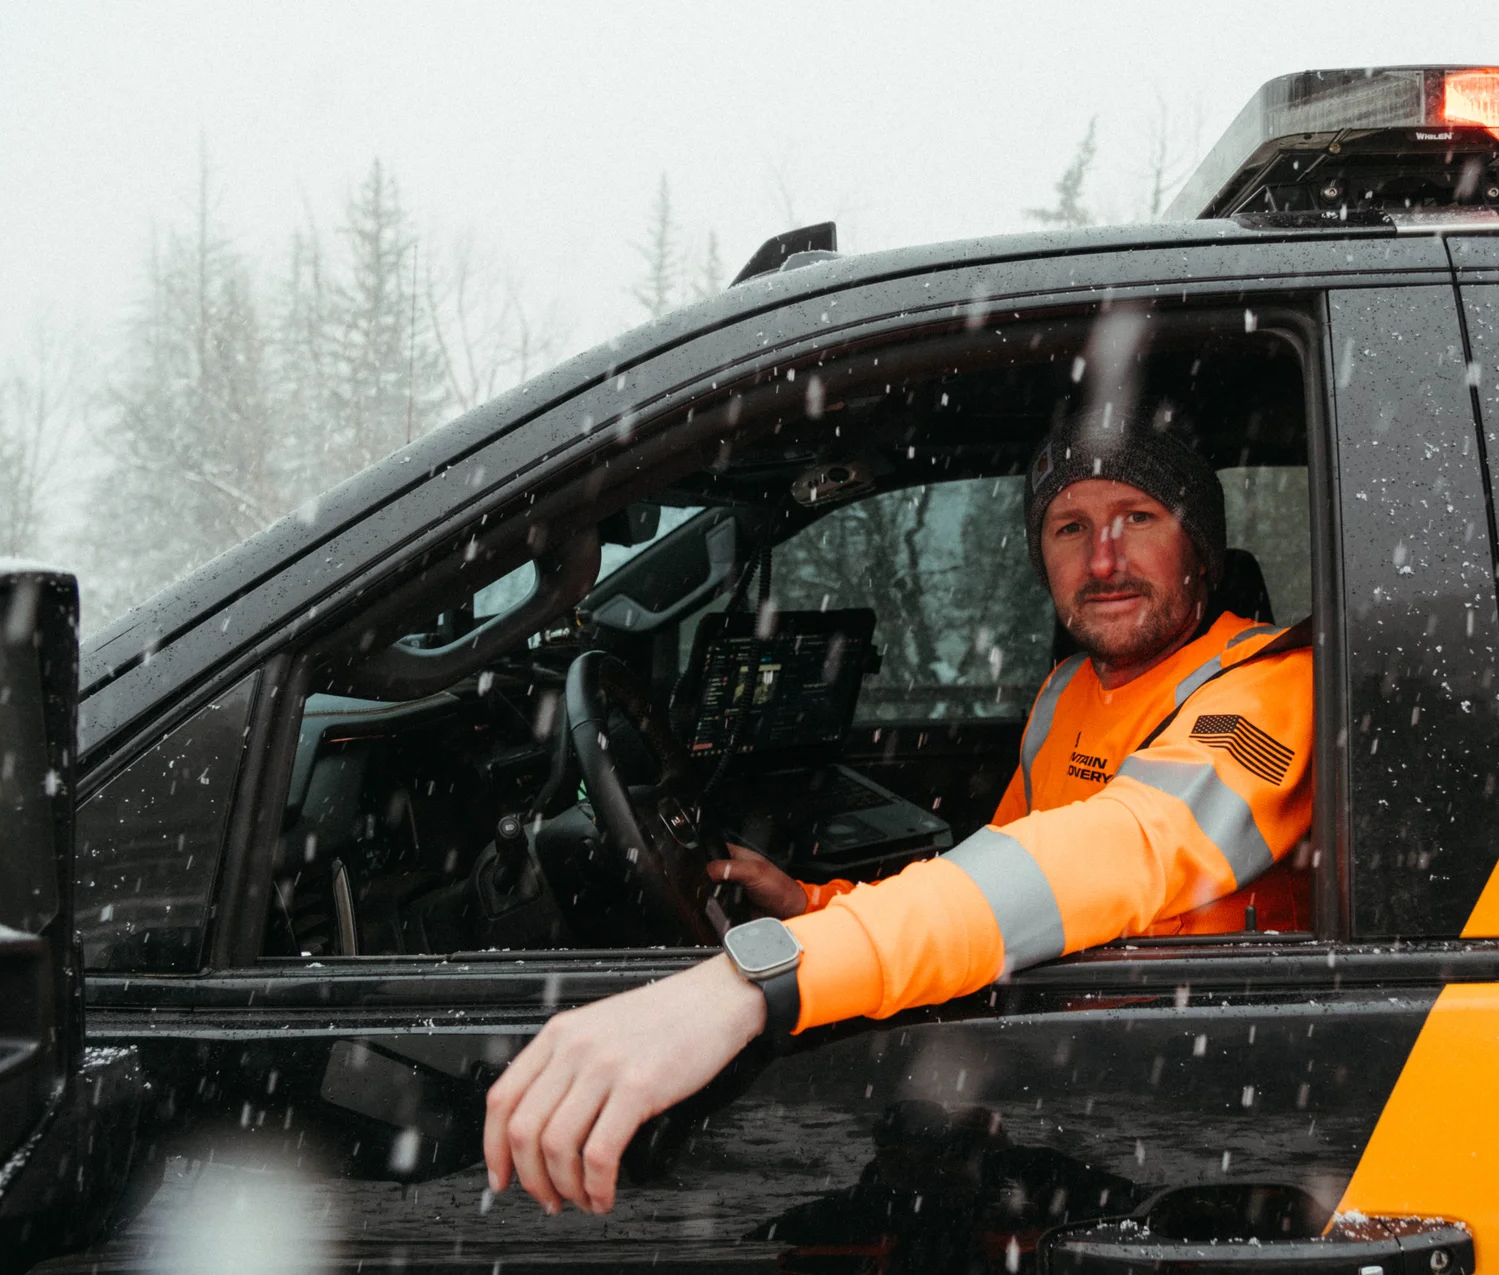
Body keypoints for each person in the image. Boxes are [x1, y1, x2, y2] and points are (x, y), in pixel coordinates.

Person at [481, 411, 1314, 1215]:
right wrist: (810, 905)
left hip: (1193, 1107)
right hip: (1063, 1063)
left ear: (1197, 546)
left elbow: (1117, 848)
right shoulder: (1068, 692)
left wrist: (754, 978)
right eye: (1069, 527)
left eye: (1138, 517)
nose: (1103, 560)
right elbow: (1002, 878)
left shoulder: (1270, 687)